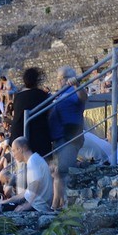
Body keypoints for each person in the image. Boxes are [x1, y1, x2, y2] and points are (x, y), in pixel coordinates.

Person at [49, 66, 84, 210]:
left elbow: (83, 98)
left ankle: (56, 206)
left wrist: (77, 84)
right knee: (57, 172)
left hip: (70, 136)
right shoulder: (59, 93)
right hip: (59, 137)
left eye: (61, 78)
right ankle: (59, 204)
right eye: (58, 78)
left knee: (61, 172)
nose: (59, 81)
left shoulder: (73, 90)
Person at [0, 137, 52, 213]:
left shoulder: (33, 161)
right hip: (36, 205)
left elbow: (36, 184)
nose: (13, 155)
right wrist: (6, 201)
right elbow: (28, 192)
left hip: (37, 208)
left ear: (20, 149)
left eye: (14, 151)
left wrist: (26, 206)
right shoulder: (34, 159)